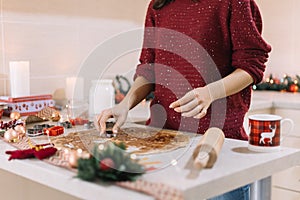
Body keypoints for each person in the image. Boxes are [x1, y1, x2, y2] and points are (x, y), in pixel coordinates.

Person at [95, 0, 271, 199]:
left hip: (218, 148)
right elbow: (149, 67)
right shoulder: (157, 6)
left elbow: (251, 66)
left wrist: (210, 93)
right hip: (161, 146)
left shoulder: (234, 2)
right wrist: (125, 105)